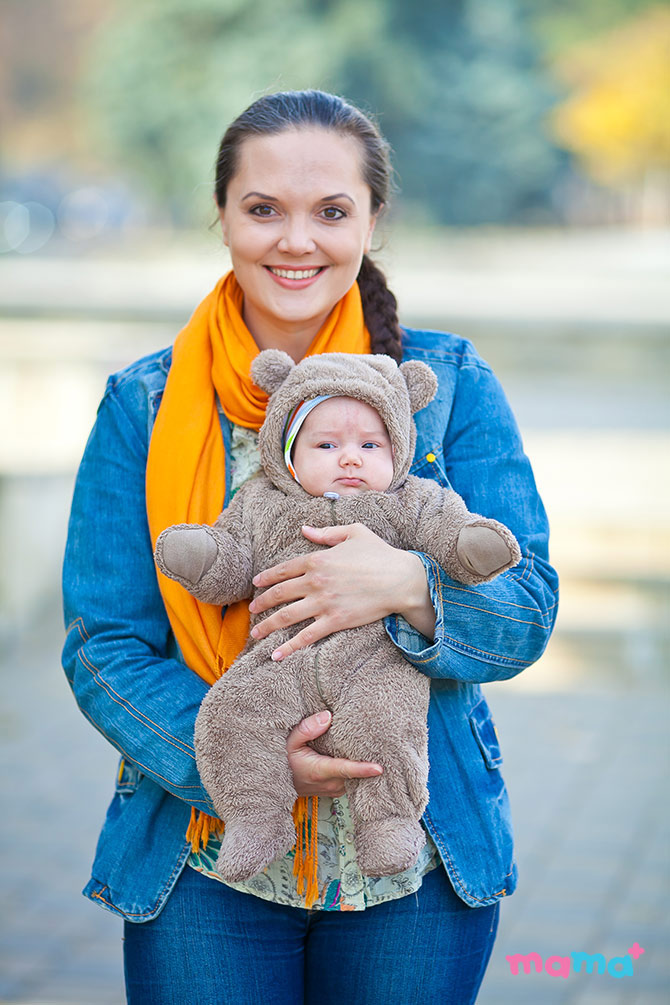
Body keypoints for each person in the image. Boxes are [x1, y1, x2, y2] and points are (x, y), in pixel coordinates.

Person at [62, 89, 558, 1004]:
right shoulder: (143, 404)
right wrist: (235, 758)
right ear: (222, 217)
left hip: (414, 858)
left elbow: (527, 613)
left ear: (372, 220)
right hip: (203, 862)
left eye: (331, 211)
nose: (298, 241)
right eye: (264, 210)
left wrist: (410, 584)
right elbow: (104, 643)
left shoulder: (446, 385)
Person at [153, 350, 521, 888]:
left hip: (376, 660)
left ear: (397, 449)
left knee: (389, 725)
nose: (350, 459)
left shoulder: (413, 500)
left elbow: (449, 531)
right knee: (229, 715)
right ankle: (258, 818)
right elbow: (232, 564)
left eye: (370, 446)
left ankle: (390, 821)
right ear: (286, 454)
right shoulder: (260, 502)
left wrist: (467, 547)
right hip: (281, 655)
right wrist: (205, 556)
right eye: (326, 445)